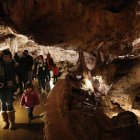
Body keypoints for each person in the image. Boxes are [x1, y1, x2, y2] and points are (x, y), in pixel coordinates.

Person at [0, 50, 18, 130]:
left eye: (7, 57)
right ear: (2, 57)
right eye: (4, 57)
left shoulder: (14, 65)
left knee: (9, 102)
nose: (6, 58)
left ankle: (12, 122)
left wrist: (24, 82)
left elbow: (18, 74)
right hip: (1, 87)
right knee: (3, 103)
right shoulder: (0, 65)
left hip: (10, 86)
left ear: (10, 57)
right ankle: (5, 121)